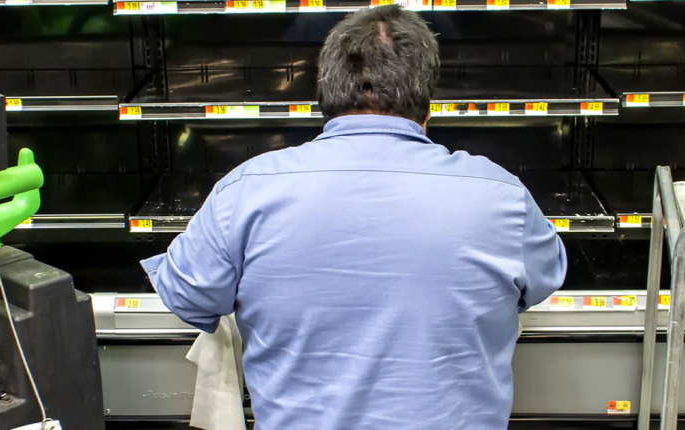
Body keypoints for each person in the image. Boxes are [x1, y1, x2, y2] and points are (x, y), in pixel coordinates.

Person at [140, 5, 567, 429]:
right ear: (427, 106)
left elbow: (188, 296)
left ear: (324, 96)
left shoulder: (246, 190)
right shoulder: (500, 195)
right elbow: (542, 280)